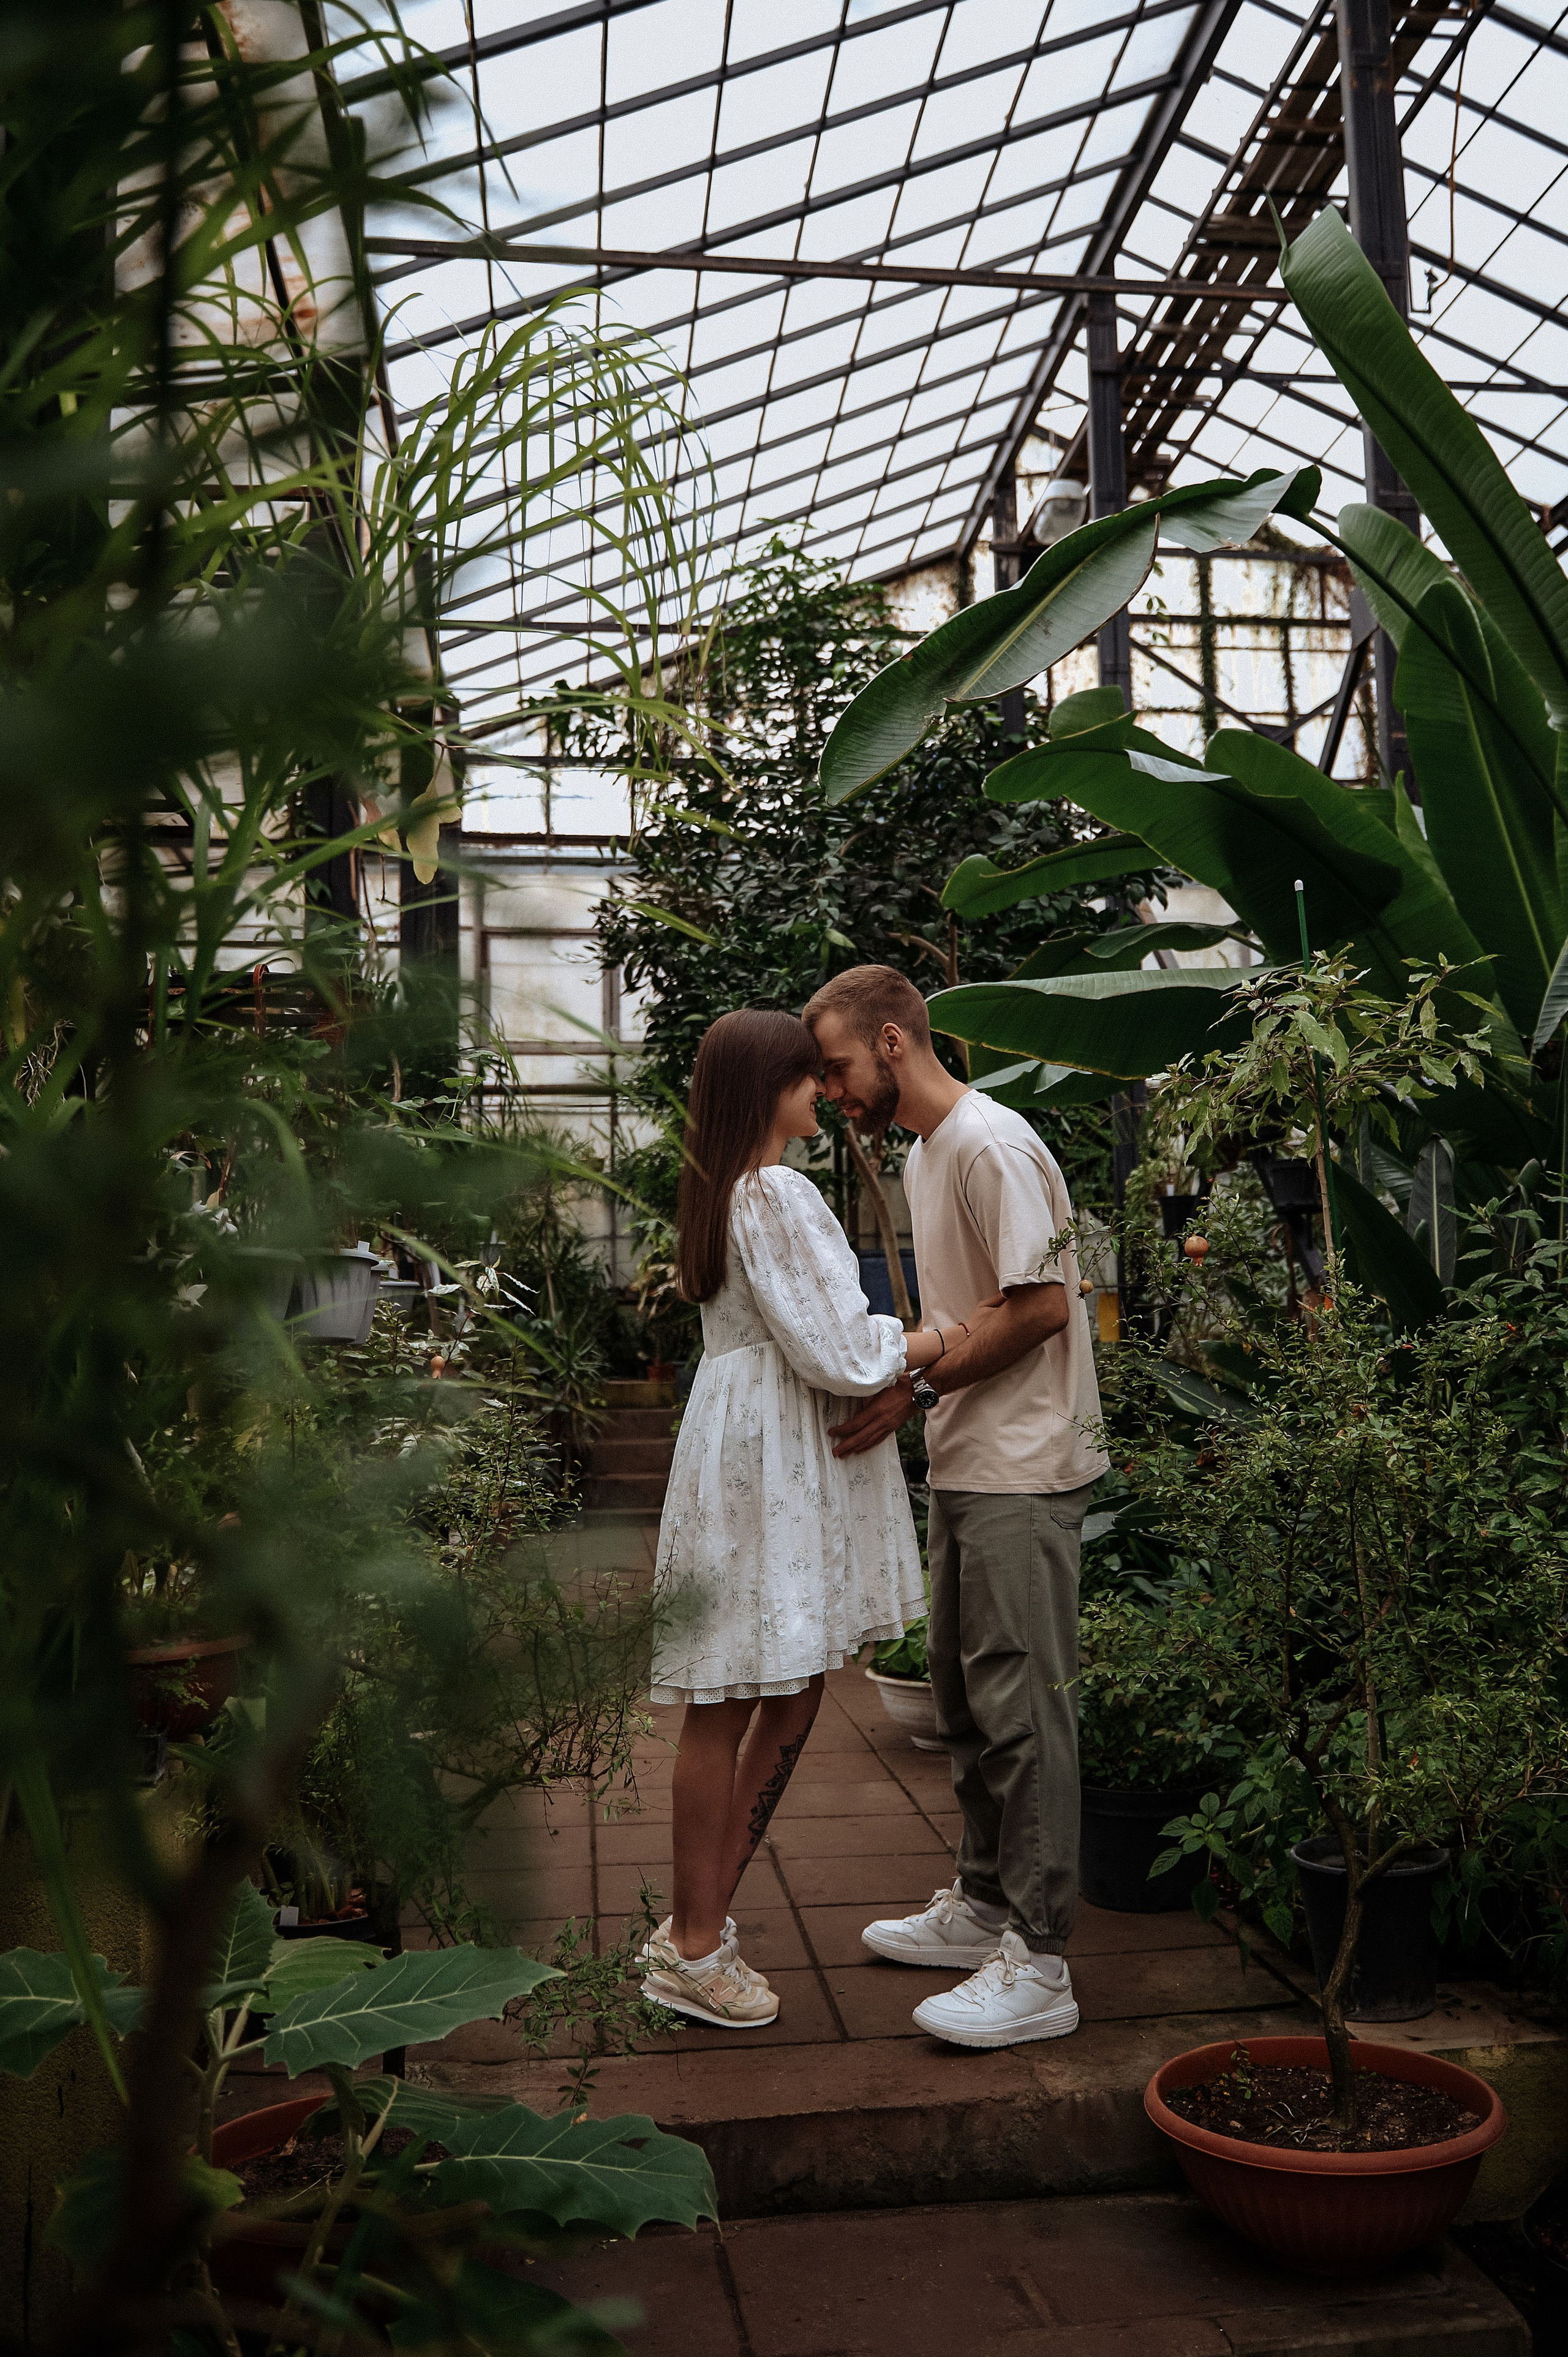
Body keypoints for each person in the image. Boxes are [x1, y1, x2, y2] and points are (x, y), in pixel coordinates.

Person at [639, 1008, 986, 2030]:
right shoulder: (775, 1190)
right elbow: (836, 1350)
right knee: (748, 1697)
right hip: (771, 1455)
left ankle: (696, 1929)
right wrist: (932, 1339)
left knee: (761, 1695)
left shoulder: (720, 1194)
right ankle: (695, 1944)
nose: (824, 1094)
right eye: (807, 1077)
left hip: (740, 1444)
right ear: (766, 1088)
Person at [804, 965, 1109, 2051]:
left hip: (1025, 1466)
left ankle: (1042, 1956)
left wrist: (917, 1387)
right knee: (966, 1703)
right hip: (972, 1461)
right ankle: (983, 1904)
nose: (831, 1091)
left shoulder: (988, 1143)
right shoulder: (937, 1152)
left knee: (1025, 1712)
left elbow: (1041, 1307)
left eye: (838, 1067)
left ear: (892, 1044)